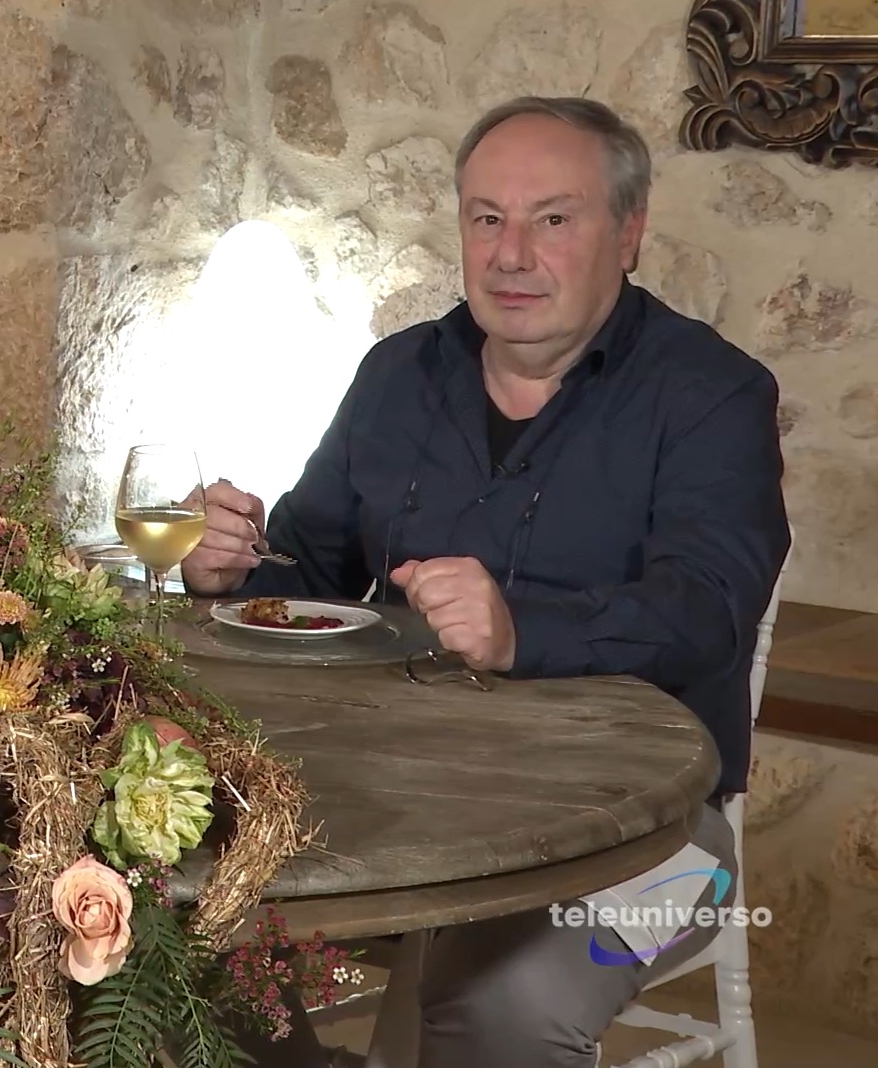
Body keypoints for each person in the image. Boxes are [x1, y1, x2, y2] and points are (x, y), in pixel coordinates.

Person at [180, 98, 788, 1066]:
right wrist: (228, 568)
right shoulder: (398, 374)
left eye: (554, 219)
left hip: (669, 846)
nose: (512, 254)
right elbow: (306, 572)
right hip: (396, 806)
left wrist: (521, 635)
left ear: (628, 231)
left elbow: (708, 609)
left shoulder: (711, 393)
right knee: (163, 933)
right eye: (487, 217)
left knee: (504, 1002)